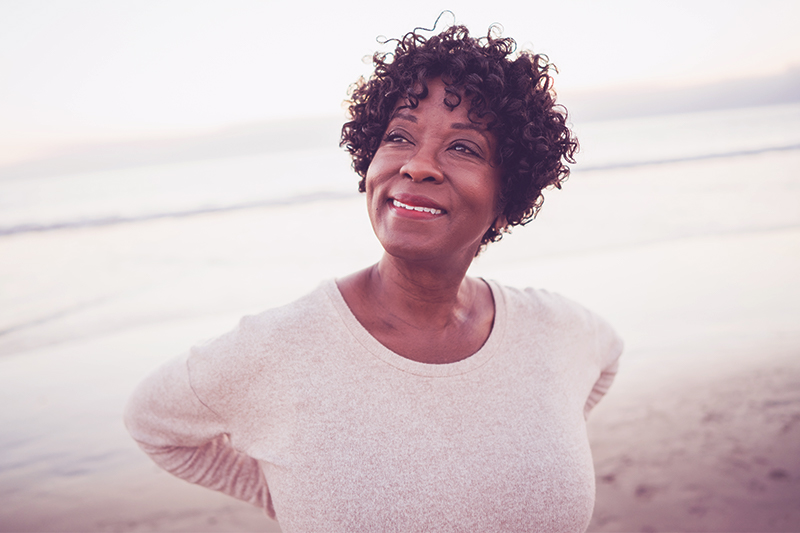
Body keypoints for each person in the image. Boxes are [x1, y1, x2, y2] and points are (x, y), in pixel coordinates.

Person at [124, 21, 623, 533]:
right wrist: (283, 495)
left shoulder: (555, 328)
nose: (418, 165)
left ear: (506, 201)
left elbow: (607, 356)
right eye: (400, 137)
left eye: (464, 147)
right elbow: (153, 422)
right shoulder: (281, 348)